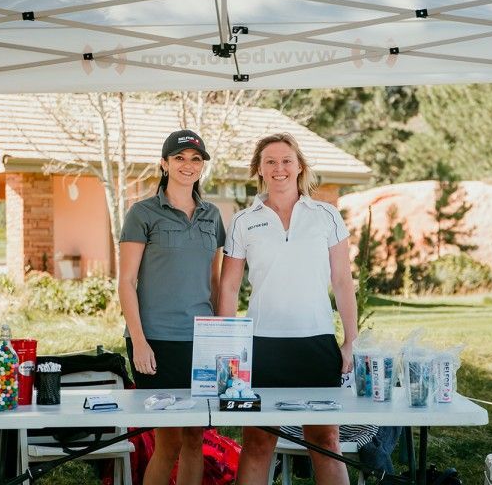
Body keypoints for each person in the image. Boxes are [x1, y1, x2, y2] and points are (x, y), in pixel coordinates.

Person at [217, 132, 357, 485]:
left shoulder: (326, 215)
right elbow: (229, 286)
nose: (279, 168)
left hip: (317, 344)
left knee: (325, 441)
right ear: (259, 170)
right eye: (270, 162)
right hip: (261, 346)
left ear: (299, 167)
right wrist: (227, 345)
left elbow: (342, 281)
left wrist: (350, 341)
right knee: (258, 442)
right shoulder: (244, 221)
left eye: (286, 161)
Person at [118, 129, 226, 485]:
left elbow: (214, 282)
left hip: (202, 343)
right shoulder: (142, 214)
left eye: (195, 159)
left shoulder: (213, 216)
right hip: (156, 342)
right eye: (179, 158)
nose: (188, 165)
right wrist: (139, 341)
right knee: (167, 439)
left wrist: (223, 339)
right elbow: (126, 282)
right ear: (164, 164)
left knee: (196, 437)